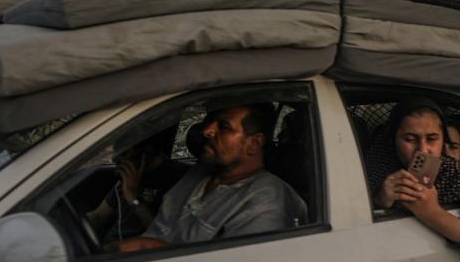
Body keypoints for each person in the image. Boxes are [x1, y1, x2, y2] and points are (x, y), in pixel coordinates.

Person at [117, 103, 307, 252]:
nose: (207, 131)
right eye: (210, 123)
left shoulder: (266, 201)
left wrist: (147, 247)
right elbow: (165, 230)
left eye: (224, 127)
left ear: (253, 144)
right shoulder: (200, 174)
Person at [364, 97, 460, 262]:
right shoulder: (374, 170)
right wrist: (379, 201)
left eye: (432, 139)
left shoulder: (459, 175)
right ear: (394, 139)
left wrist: (433, 212)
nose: (423, 149)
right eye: (410, 139)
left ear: (443, 140)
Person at [86, 131, 188, 243]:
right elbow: (99, 216)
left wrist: (132, 196)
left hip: (137, 252)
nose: (116, 160)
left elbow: (162, 231)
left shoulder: (178, 178)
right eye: (116, 155)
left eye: (124, 153)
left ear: (147, 152)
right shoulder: (130, 174)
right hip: (111, 246)